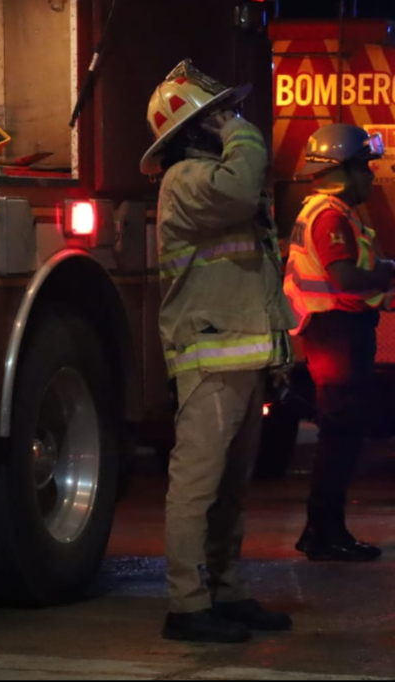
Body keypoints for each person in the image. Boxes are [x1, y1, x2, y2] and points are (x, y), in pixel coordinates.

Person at [142, 59, 296, 644]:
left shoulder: (208, 181)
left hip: (241, 357)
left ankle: (227, 591)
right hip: (212, 359)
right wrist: (244, 131)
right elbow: (240, 186)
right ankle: (186, 605)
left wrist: (278, 352)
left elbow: (255, 275)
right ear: (196, 128)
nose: (231, 120)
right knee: (197, 485)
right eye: (218, 114)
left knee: (231, 487)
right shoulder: (186, 181)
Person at [284, 124, 395, 562]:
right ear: (342, 171)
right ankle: (325, 533)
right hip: (337, 332)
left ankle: (322, 530)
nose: (371, 177)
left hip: (333, 332)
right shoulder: (330, 215)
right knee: (341, 436)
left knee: (340, 434)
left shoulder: (324, 211)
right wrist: (384, 273)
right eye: (365, 168)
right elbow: (345, 279)